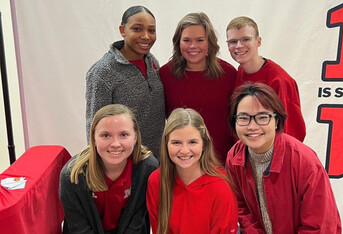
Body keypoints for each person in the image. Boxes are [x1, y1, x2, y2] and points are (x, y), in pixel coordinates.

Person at [226, 83, 341, 233]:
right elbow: (240, 206)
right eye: (243, 118)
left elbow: (320, 225)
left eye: (262, 117)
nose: (252, 126)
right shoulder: (235, 157)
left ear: (277, 121)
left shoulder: (304, 162)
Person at [59, 104, 158, 234]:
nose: (115, 144)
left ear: (135, 137)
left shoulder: (147, 168)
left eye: (123, 134)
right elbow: (79, 229)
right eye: (106, 135)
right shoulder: (72, 176)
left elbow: (136, 224)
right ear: (93, 138)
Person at [85, 5, 165, 159]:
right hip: (123, 161)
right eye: (137, 29)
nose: (146, 36)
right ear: (123, 30)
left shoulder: (151, 61)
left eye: (151, 30)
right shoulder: (102, 72)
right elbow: (94, 126)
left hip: (157, 157)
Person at [159, 12, 237, 165]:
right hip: (182, 159)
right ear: (178, 43)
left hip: (221, 160)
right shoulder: (165, 74)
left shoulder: (229, 74)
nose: (193, 46)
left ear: (210, 42)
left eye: (200, 40)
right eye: (186, 40)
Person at [146, 108, 238, 234]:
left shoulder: (221, 188)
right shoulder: (156, 181)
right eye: (176, 142)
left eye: (192, 142)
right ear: (166, 144)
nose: (184, 150)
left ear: (204, 144)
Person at [226, 16, 306, 142]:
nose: (239, 46)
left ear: (258, 41)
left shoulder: (280, 81)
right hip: (246, 154)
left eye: (246, 39)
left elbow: (292, 133)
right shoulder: (239, 72)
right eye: (233, 41)